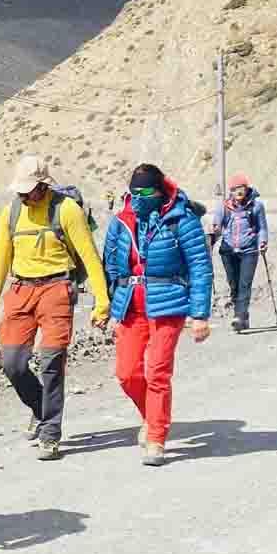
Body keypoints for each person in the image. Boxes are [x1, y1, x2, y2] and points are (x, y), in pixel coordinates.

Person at [0, 155, 111, 461]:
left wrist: (101, 303)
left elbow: (90, 257)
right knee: (12, 363)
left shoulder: (67, 210)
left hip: (56, 290)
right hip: (21, 290)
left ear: (43, 185)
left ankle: (50, 432)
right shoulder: (10, 212)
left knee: (51, 363)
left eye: (28, 190)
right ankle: (40, 408)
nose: (23, 196)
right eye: (19, 191)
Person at [101, 164, 215, 466]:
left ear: (160, 190)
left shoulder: (183, 219)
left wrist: (200, 314)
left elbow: (200, 268)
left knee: (158, 372)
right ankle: (150, 416)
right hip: (131, 306)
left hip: (169, 304)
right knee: (127, 374)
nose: (139, 198)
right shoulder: (121, 220)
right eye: (134, 192)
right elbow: (110, 264)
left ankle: (156, 438)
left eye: (146, 192)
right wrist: (110, 304)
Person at [209, 173, 270, 332]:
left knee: (245, 284)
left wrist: (262, 241)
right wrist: (214, 229)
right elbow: (217, 224)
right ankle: (243, 315)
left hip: (249, 250)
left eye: (241, 188)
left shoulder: (256, 206)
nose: (239, 192)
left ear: (246, 188)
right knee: (234, 284)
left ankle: (240, 315)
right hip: (228, 251)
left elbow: (262, 227)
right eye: (235, 189)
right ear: (231, 191)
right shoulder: (224, 207)